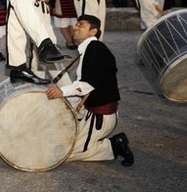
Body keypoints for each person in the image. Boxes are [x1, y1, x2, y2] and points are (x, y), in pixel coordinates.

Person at [45, 15, 134, 166]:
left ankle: (114, 145)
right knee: (65, 141)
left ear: (93, 31)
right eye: (76, 24)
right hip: (91, 112)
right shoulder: (90, 48)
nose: (75, 27)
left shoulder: (96, 50)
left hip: (100, 118)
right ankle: (93, 140)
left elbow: (88, 84)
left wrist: (62, 92)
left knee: (67, 153)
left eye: (81, 25)